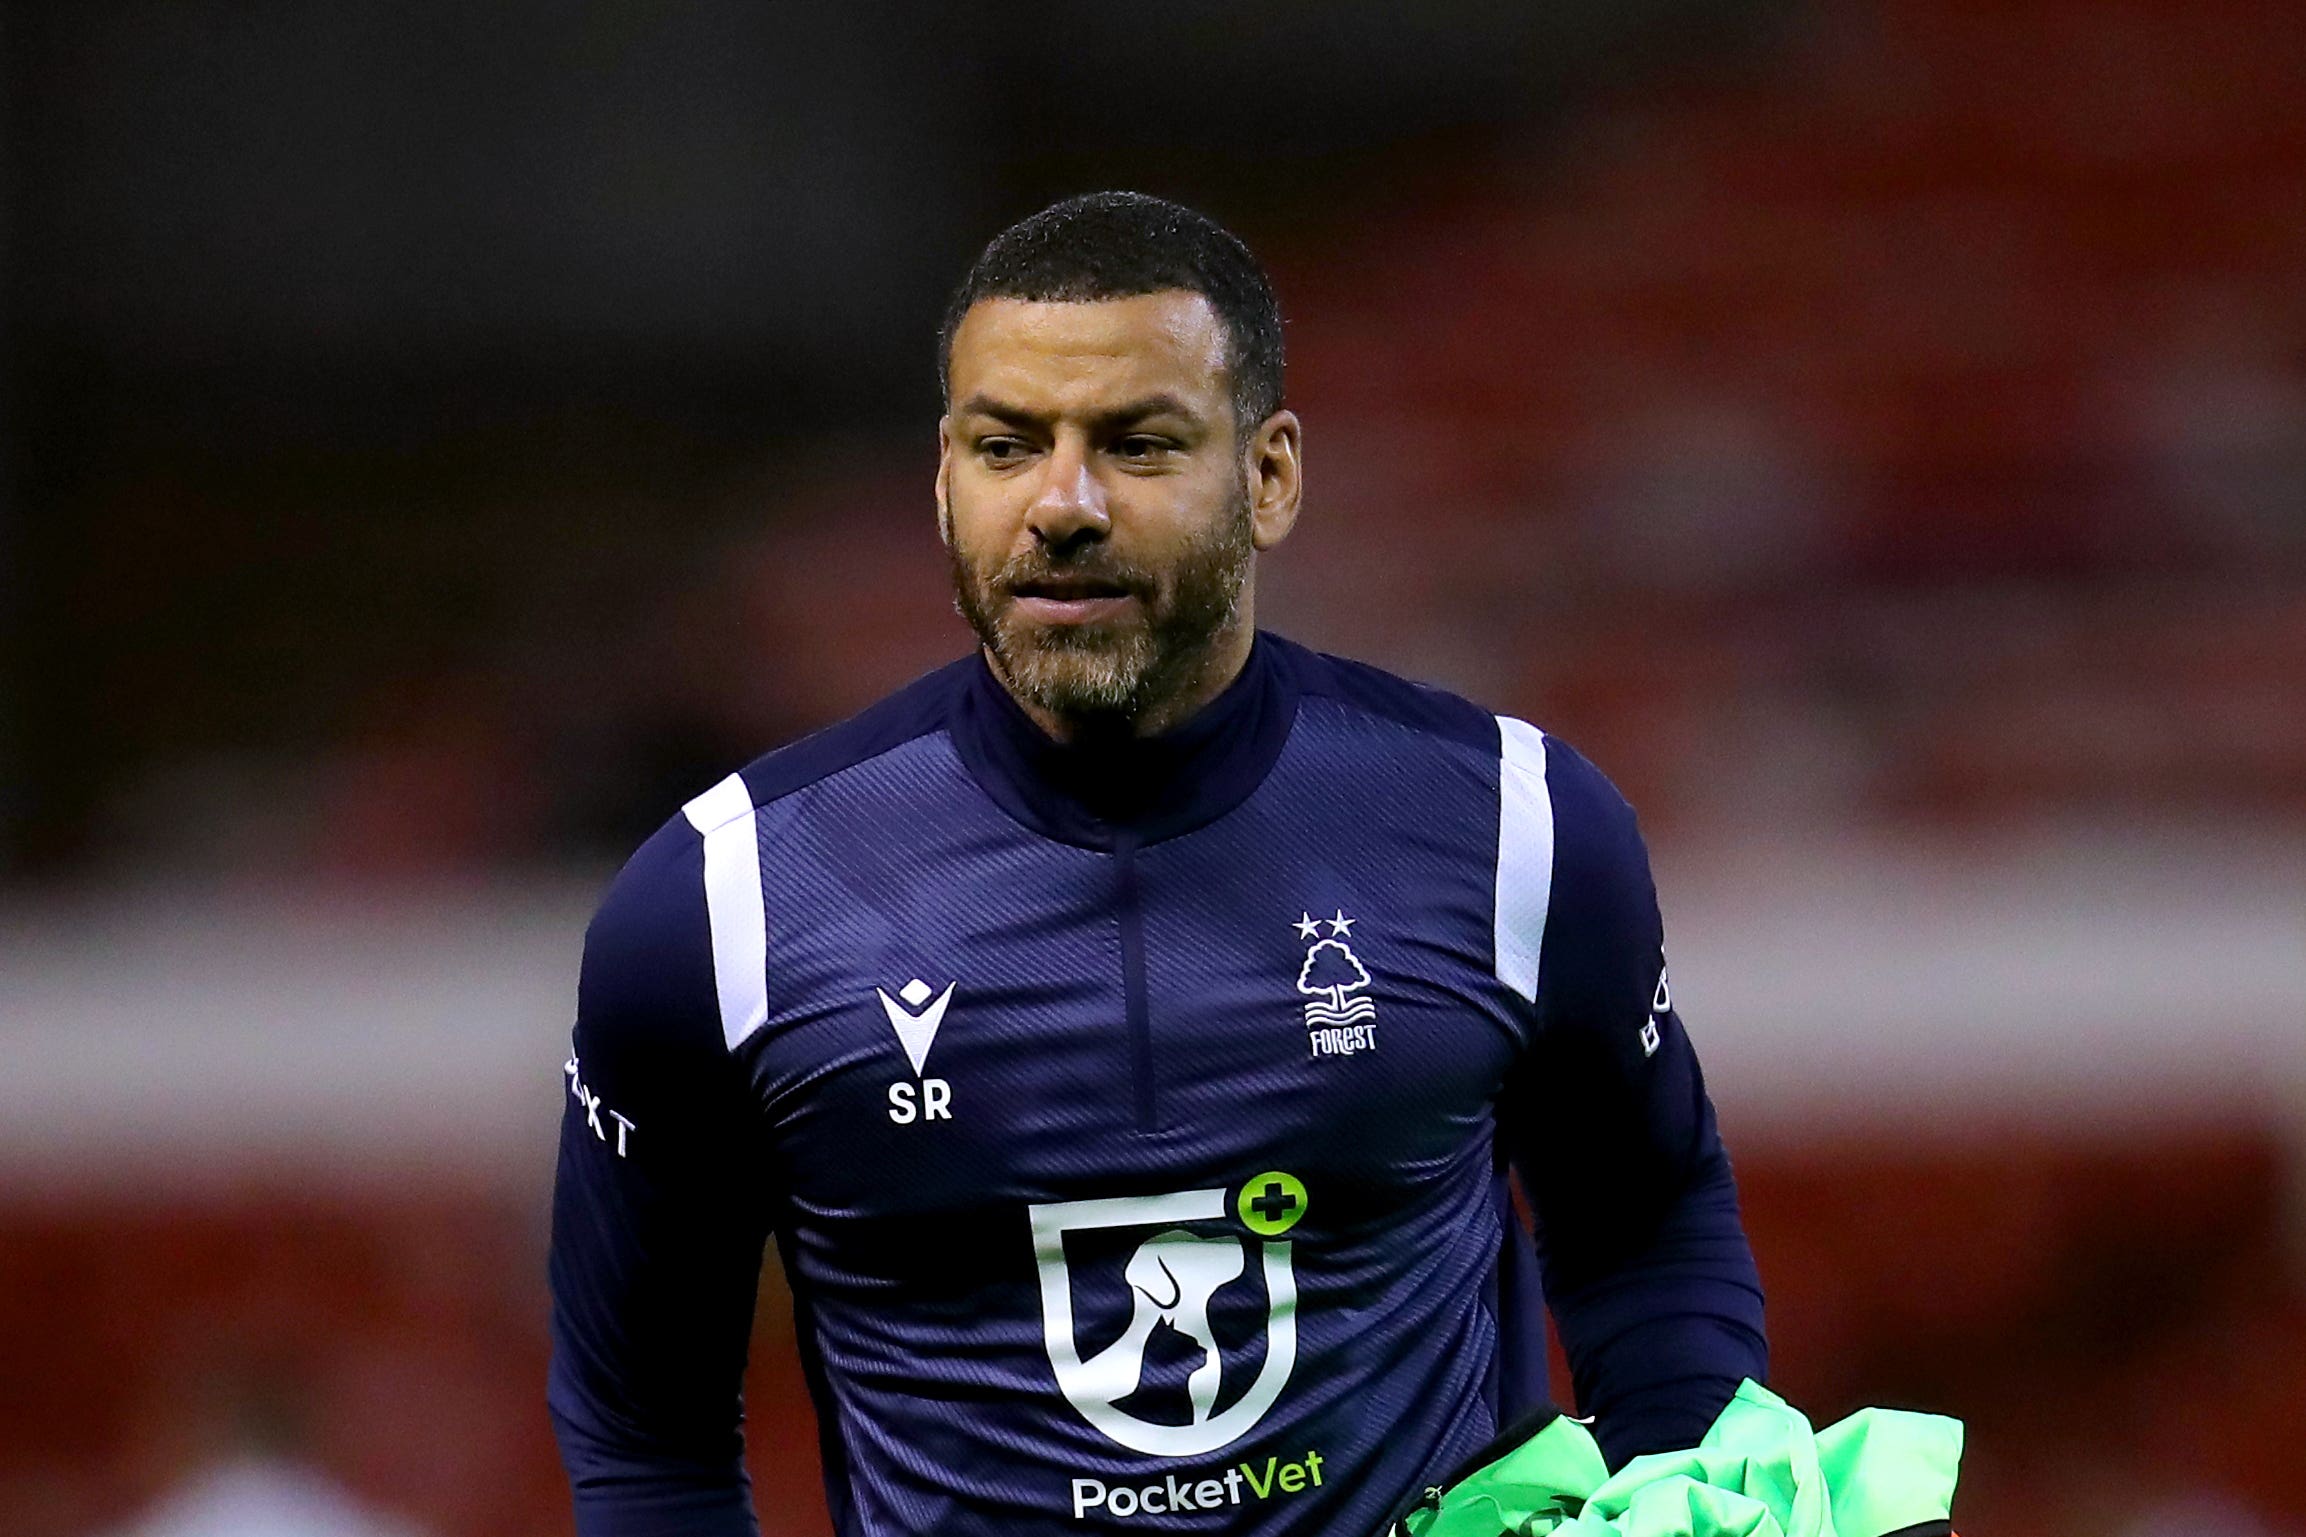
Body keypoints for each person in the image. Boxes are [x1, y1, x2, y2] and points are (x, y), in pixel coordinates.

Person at [548, 191, 1767, 1537]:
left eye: (1136, 444)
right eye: (1006, 446)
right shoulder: (718, 903)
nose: (1062, 505)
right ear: (943, 478)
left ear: (1269, 475)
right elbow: (644, 1422)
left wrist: (1691, 1489)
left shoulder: (1517, 827)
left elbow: (1645, 1225)